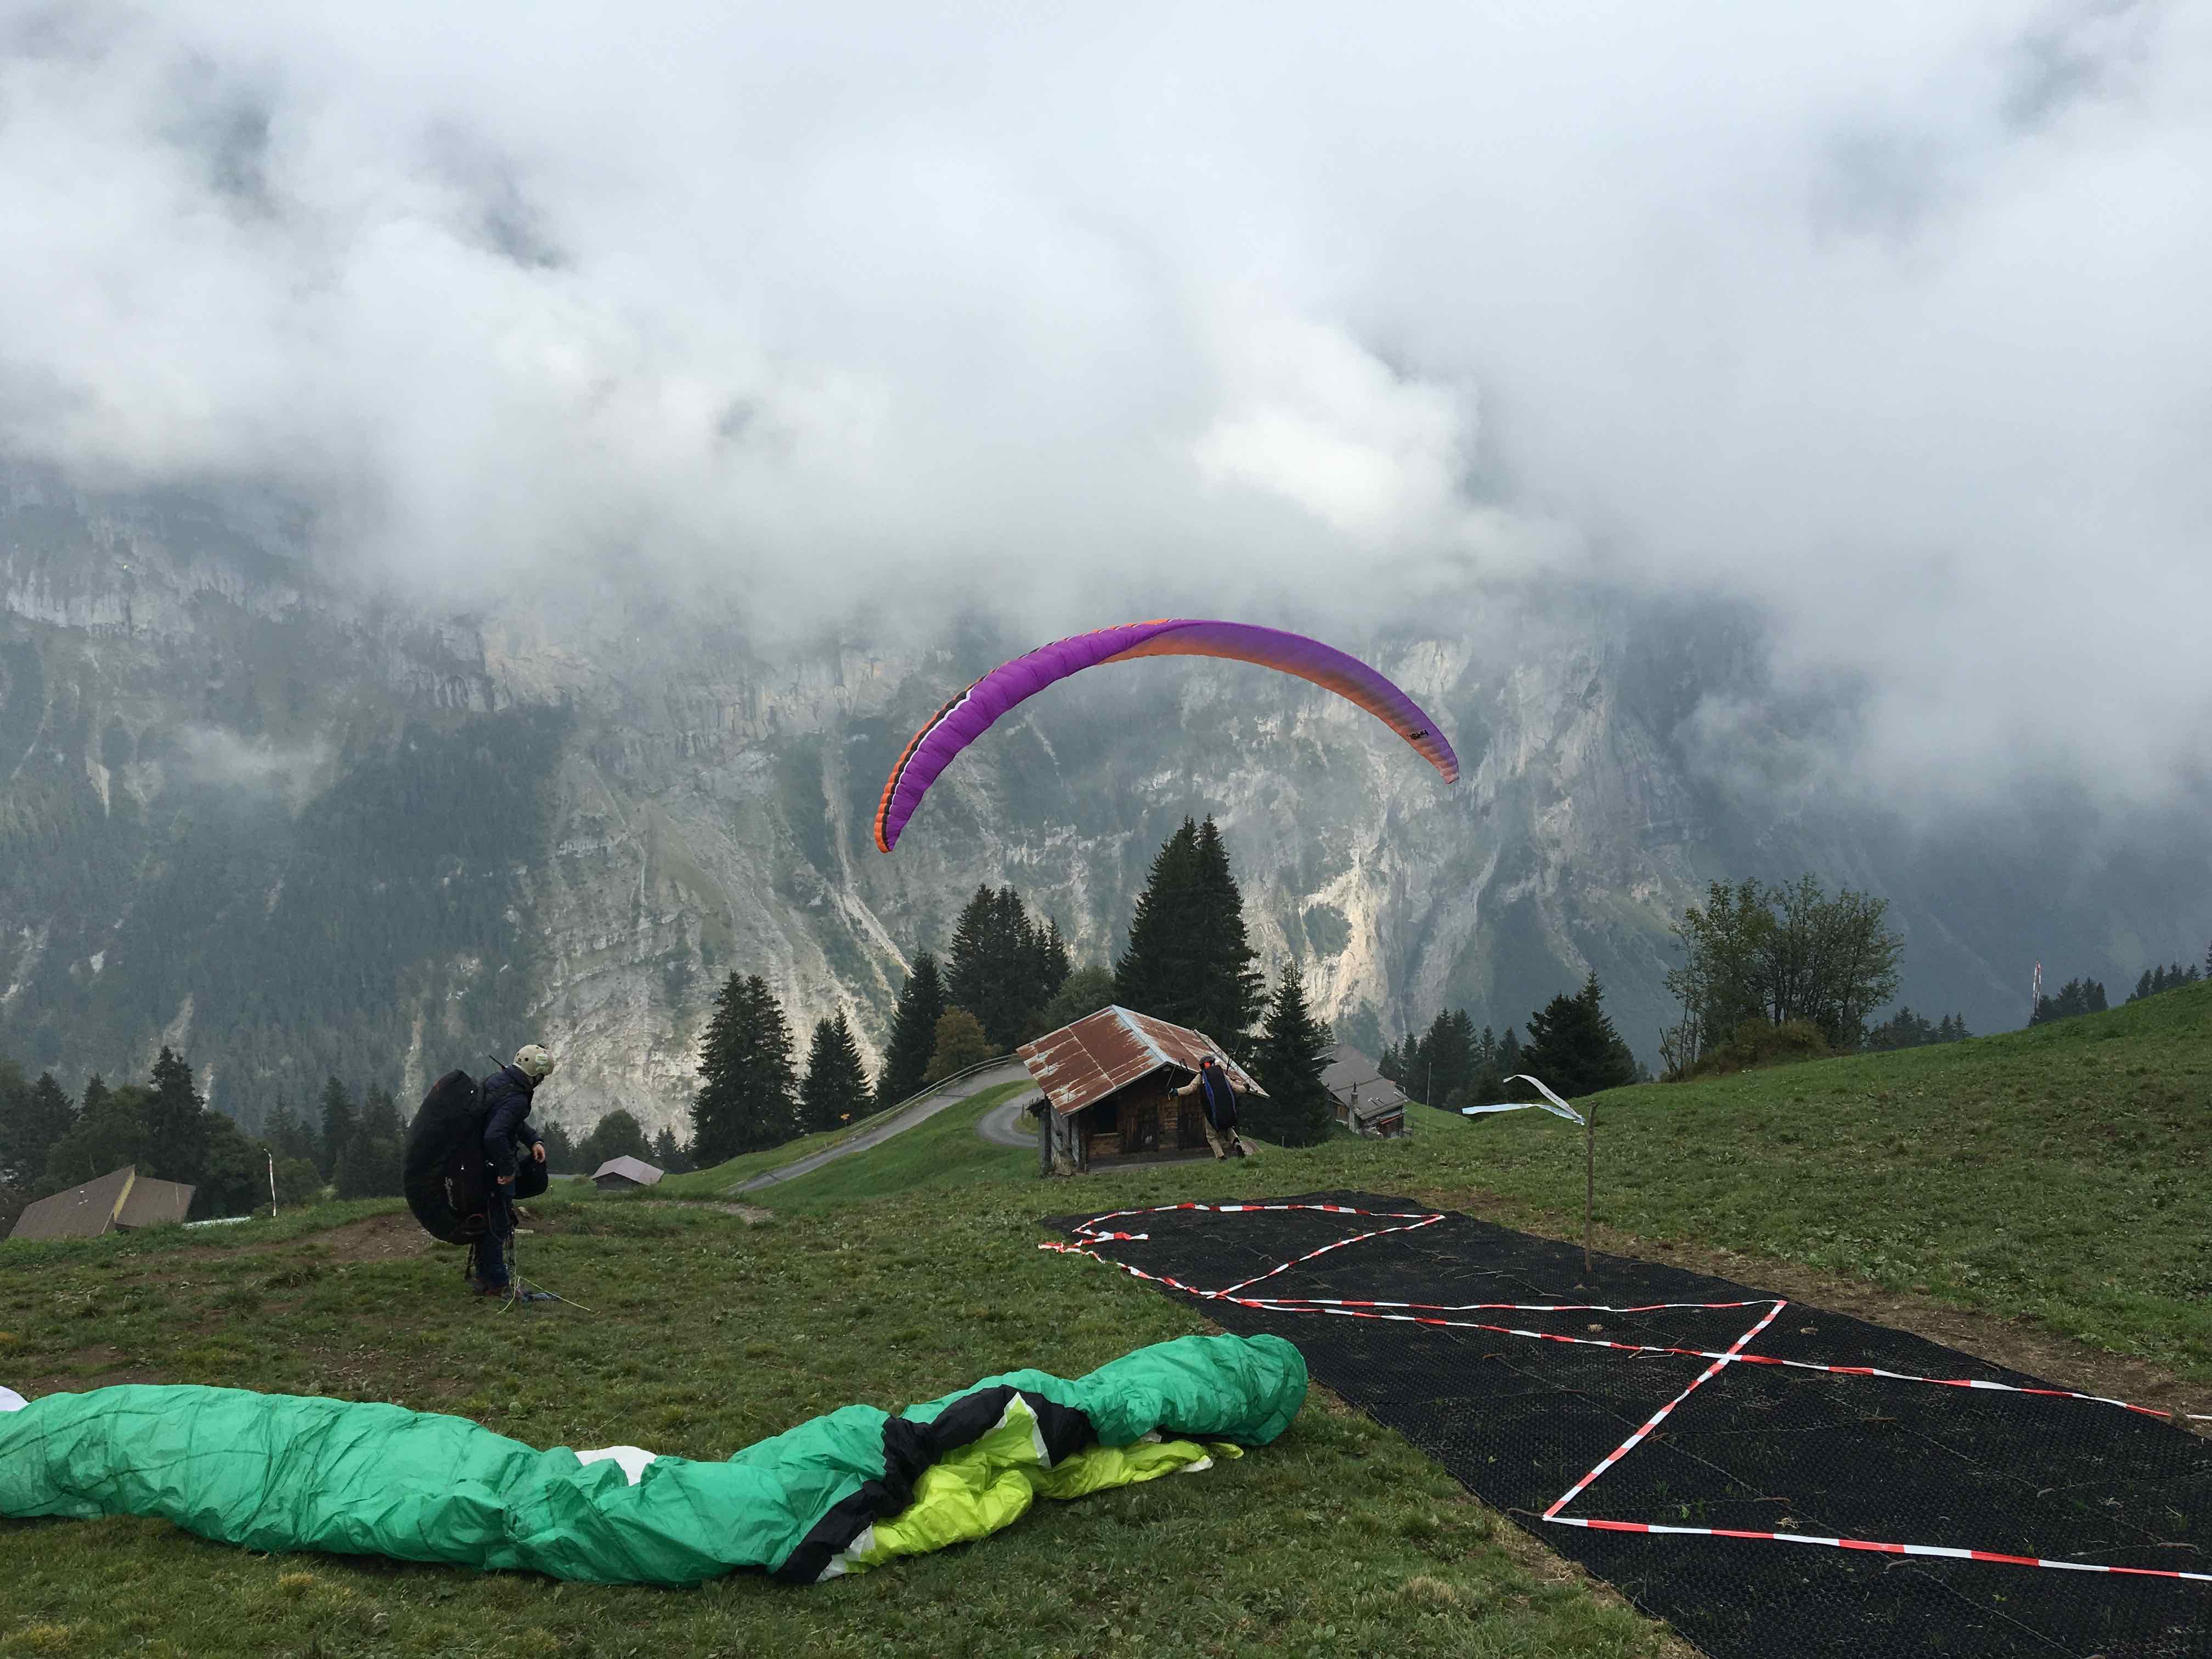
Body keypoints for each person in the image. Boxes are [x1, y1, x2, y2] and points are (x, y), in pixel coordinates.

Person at [471, 1044, 553, 1297]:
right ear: (535, 1075)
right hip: (494, 1168)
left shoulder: (499, 1080)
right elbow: (495, 1134)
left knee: (488, 1220)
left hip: (478, 1163)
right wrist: (507, 1171)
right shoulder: (517, 1098)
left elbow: (509, 1121)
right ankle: (498, 1284)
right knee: (498, 1223)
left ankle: (484, 1276)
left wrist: (533, 1140)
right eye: (541, 1077)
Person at [1172, 1055, 1246, 1160]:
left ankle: (1221, 1157)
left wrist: (1176, 1091)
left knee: (1211, 1136)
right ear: (1213, 1063)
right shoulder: (1221, 1073)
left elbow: (1191, 1089)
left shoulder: (1201, 1076)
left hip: (1211, 1112)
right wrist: (1245, 1088)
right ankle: (1237, 1145)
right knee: (1228, 1129)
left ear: (1202, 1066)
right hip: (1227, 1109)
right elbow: (1235, 1087)